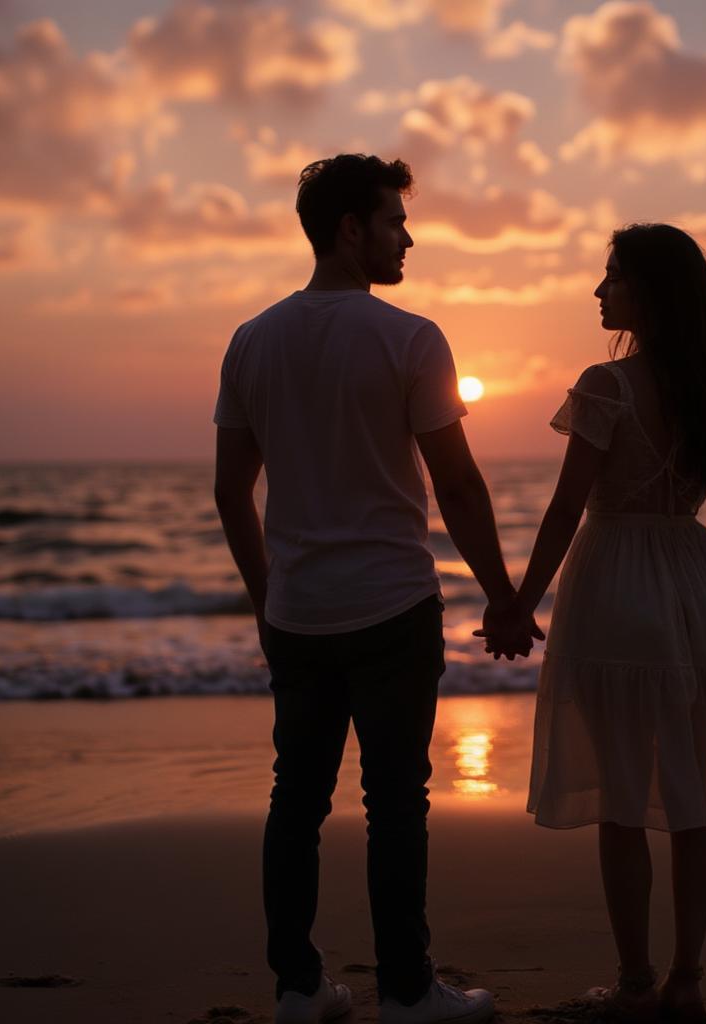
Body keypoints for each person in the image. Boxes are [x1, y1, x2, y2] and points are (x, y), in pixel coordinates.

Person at [213, 154, 539, 1024]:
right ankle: (405, 990)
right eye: (394, 220)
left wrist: (264, 596)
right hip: (394, 607)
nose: (408, 235)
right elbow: (461, 487)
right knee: (395, 801)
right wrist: (504, 597)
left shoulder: (251, 339)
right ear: (350, 230)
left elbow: (229, 489)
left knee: (297, 799)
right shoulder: (410, 338)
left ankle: (298, 988)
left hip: (300, 614)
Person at [479, 223, 706, 1023]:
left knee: (624, 801)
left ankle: (634, 981)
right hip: (696, 587)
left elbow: (564, 510)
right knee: (689, 795)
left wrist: (520, 602)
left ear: (649, 294)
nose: (600, 291)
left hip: (615, 585)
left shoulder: (606, 385)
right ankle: (686, 978)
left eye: (613, 277)